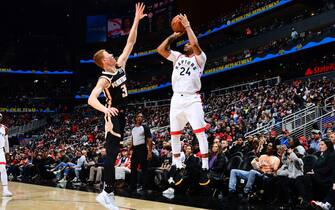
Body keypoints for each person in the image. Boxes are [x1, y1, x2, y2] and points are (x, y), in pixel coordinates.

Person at [87, 3, 147, 210]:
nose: (113, 54)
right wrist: (105, 110)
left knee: (114, 154)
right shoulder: (104, 78)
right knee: (111, 155)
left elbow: (130, 42)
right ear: (104, 61)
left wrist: (137, 20)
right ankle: (106, 193)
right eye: (108, 54)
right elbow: (91, 99)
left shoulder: (120, 65)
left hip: (122, 115)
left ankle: (108, 193)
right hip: (112, 116)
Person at [157, 14, 210, 186]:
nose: (187, 43)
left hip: (192, 98)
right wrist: (174, 35)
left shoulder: (200, 59)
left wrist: (187, 27)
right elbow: (160, 49)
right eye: (185, 43)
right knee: (174, 135)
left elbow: (194, 44)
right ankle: (177, 165)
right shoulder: (178, 57)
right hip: (176, 99)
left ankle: (204, 167)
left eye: (188, 43)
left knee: (200, 133)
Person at [129, 112, 153, 192]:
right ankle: (133, 186)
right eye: (139, 116)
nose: (140, 118)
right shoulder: (133, 129)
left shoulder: (145, 127)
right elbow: (133, 139)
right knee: (133, 168)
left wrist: (149, 152)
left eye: (141, 117)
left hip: (143, 148)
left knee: (144, 169)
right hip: (135, 149)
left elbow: (149, 140)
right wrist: (129, 149)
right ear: (136, 118)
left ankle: (145, 187)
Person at [0, 113, 12, 197]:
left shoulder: (5, 128)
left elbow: (6, 141)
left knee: (3, 169)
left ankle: (5, 190)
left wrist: (7, 152)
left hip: (0, 151)